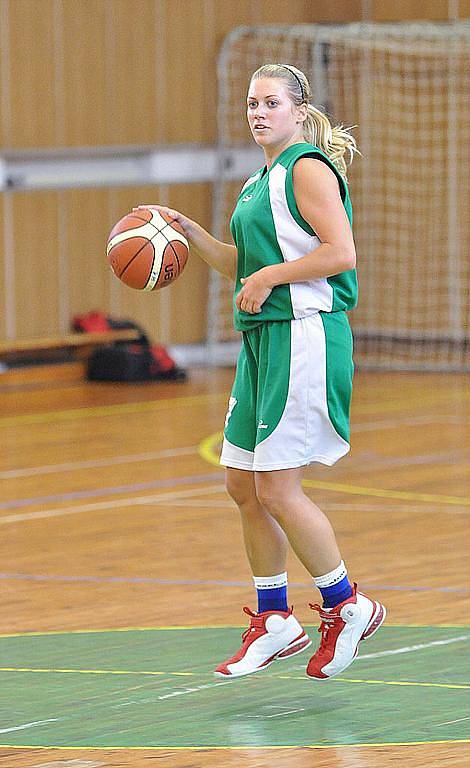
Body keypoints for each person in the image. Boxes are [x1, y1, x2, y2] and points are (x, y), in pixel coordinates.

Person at [135, 63, 385, 681]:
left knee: (276, 487)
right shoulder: (258, 183)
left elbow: (341, 252)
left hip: (303, 337)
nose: (257, 112)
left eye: (270, 101)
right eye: (251, 103)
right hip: (262, 344)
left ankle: (347, 604)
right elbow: (240, 262)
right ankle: (275, 617)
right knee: (242, 484)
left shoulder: (306, 168)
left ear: (298, 109)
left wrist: (269, 278)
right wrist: (186, 233)